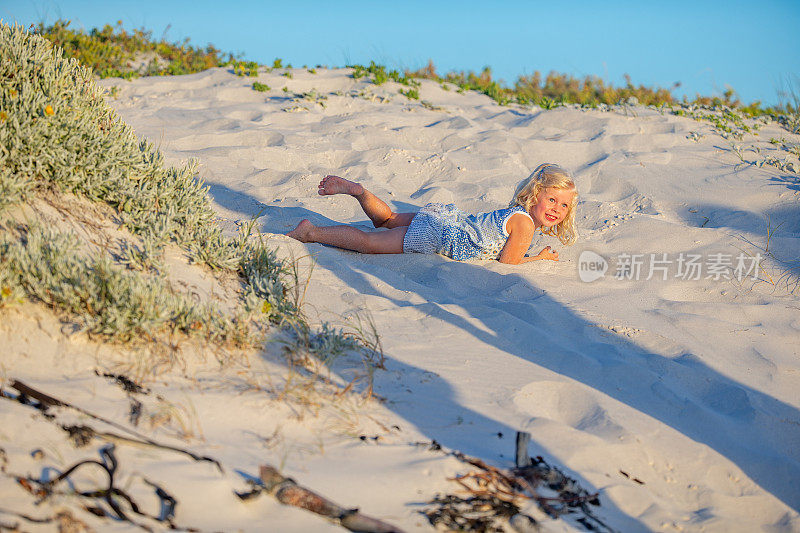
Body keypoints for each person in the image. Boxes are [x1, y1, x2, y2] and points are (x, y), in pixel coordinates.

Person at [287, 163, 578, 265]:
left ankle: (361, 192)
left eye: (564, 205)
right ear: (535, 195)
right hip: (439, 235)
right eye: (552, 200)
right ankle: (310, 232)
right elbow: (509, 262)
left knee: (385, 219)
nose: (556, 209)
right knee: (370, 243)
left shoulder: (518, 213)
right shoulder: (525, 225)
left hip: (447, 218)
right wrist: (540, 258)